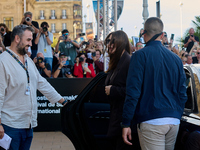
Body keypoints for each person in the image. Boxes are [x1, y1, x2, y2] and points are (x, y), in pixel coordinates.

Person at [122, 17, 187, 150]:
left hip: (151, 119)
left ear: (144, 34)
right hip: (173, 120)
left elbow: (133, 92)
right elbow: (182, 92)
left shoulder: (139, 56)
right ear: (162, 35)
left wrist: (126, 123)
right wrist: (176, 113)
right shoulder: (176, 59)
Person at [0, 25, 67, 149]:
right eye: (28, 40)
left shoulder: (28, 60)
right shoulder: (3, 61)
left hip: (28, 125)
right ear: (17, 38)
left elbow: (42, 83)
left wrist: (63, 101)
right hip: (10, 126)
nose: (31, 44)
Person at [104, 30, 132, 150]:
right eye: (107, 41)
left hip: (125, 119)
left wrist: (113, 90)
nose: (109, 44)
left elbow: (134, 91)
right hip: (116, 117)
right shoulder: (117, 62)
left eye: (112, 41)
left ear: (121, 41)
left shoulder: (129, 61)